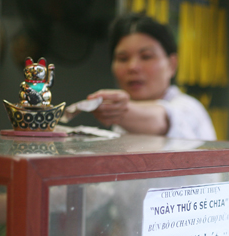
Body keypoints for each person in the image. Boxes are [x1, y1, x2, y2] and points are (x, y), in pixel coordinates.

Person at [89, 13, 216, 141]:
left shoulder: (189, 108)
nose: (133, 67)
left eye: (146, 56)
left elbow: (162, 120)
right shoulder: (124, 121)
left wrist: (119, 111)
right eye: (123, 58)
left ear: (172, 65)